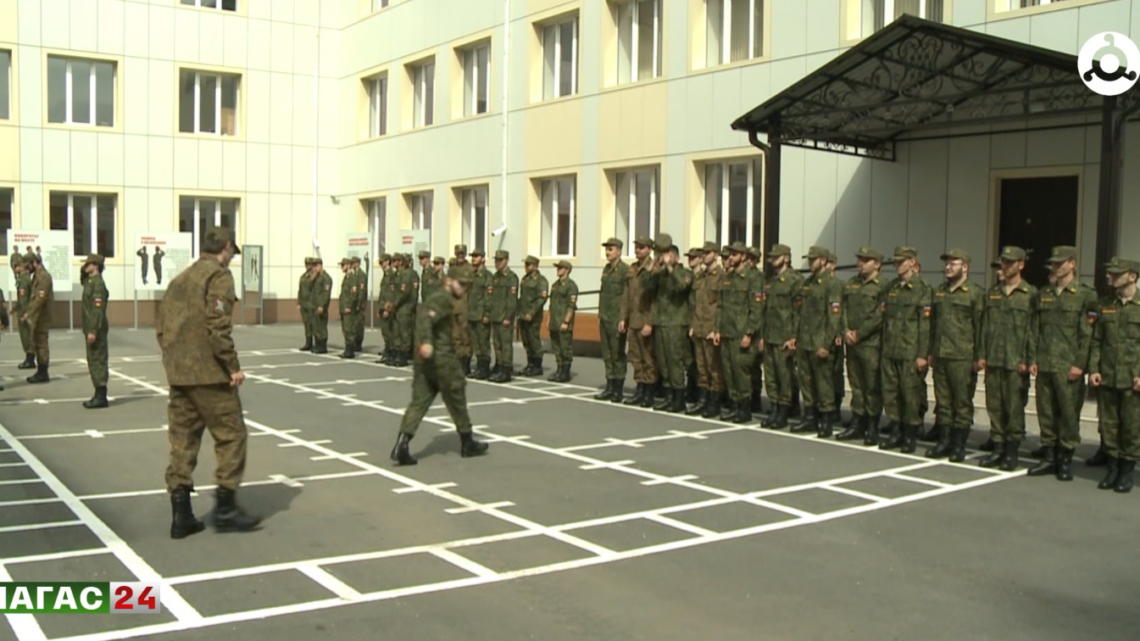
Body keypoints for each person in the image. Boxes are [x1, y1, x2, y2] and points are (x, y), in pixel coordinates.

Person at [156, 228, 260, 538]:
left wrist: (175, 362)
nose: (232, 257)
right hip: (210, 374)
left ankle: (182, 514)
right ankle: (225, 508)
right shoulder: (219, 277)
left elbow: (161, 327)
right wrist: (232, 366)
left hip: (180, 375)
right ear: (226, 248)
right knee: (231, 435)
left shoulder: (182, 278)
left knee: (182, 441)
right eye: (232, 251)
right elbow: (218, 327)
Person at [390, 272, 490, 466]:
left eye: (467, 285)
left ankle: (402, 444)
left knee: (419, 402)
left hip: (425, 361)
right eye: (461, 283)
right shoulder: (442, 298)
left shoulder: (445, 298)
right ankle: (467, 441)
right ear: (449, 281)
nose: (465, 288)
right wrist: (427, 343)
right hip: (441, 359)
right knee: (457, 395)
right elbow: (426, 318)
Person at [1026, 246, 1098, 480]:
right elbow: (1035, 328)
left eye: (1060, 263)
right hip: (1045, 363)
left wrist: (1080, 364)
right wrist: (1033, 358)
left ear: (1072, 264)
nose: (1056, 267)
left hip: (1069, 367)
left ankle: (1065, 459)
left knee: (1068, 414)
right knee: (1045, 412)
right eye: (1054, 264)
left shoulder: (1086, 295)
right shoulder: (1044, 294)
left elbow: (1087, 334)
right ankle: (1049, 456)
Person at [978, 246, 1037, 471]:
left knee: (1013, 408)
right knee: (995, 406)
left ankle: (1012, 452)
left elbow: (1034, 330)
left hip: (1015, 362)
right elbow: (984, 327)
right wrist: (982, 354)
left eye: (1011, 262)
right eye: (1003, 261)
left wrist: (1029, 359)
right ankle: (998, 448)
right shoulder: (993, 293)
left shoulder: (1030, 294)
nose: (1005, 266)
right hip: (994, 359)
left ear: (1021, 265)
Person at [926, 249, 984, 462]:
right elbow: (934, 324)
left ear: (965, 267)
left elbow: (980, 327)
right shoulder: (940, 291)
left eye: (954, 263)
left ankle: (959, 444)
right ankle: (944, 441)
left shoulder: (975, 293)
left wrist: (979, 357)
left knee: (961, 402)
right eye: (947, 263)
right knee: (944, 401)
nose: (948, 267)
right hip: (941, 354)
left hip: (962, 357)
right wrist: (931, 351)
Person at [1088, 256, 1140, 493]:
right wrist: (1094, 369)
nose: (1111, 276)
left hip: (1132, 378)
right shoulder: (1106, 305)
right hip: (1108, 375)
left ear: (1132, 276)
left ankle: (1127, 472)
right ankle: (1112, 468)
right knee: (1109, 426)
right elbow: (1097, 340)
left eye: (1117, 273)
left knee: (1130, 427)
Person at [878, 247, 932, 453]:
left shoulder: (923, 288)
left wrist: (922, 354)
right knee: (891, 393)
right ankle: (896, 430)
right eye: (896, 262)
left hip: (910, 351)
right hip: (890, 349)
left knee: (910, 394)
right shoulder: (892, 287)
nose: (898, 265)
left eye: (902, 261)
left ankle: (910, 434)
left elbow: (925, 324)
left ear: (912, 262)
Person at [793, 246, 844, 438]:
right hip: (805, 341)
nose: (810, 262)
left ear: (823, 261)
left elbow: (834, 317)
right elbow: (800, 314)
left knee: (824, 384)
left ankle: (826, 420)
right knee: (806, 382)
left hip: (820, 342)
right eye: (809, 259)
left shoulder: (832, 285)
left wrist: (827, 344)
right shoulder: (807, 284)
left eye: (814, 259)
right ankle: (810, 417)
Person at [837, 246, 885, 444]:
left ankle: (872, 426)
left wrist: (859, 333)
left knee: (872, 386)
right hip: (852, 343)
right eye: (860, 259)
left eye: (866, 260)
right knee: (856, 384)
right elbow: (842, 309)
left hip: (871, 344)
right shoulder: (852, 284)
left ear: (877, 264)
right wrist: (846, 330)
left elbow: (879, 316)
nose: (861, 263)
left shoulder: (883, 286)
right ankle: (858, 422)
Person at [760, 244, 803, 429]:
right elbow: (765, 311)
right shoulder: (771, 281)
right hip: (770, 335)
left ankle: (784, 411)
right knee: (770, 377)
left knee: (784, 376)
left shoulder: (795, 280)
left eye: (776, 257)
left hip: (784, 336)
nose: (771, 260)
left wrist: (794, 337)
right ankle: (775, 408)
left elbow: (798, 311)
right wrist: (762, 336)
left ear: (786, 258)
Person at [620, 236, 658, 407]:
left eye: (642, 247)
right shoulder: (633, 269)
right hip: (634, 320)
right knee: (636, 357)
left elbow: (656, 300)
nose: (638, 250)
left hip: (645, 320)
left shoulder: (653, 270)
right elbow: (627, 296)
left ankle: (649, 391)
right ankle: (640, 389)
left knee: (648, 358)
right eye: (636, 247)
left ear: (649, 249)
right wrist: (623, 317)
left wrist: (650, 322)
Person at [595, 238, 629, 401]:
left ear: (619, 251)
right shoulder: (606, 270)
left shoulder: (624, 271)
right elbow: (603, 293)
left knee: (617, 353)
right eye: (607, 249)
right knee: (607, 353)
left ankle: (618, 388)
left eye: (611, 249)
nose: (608, 252)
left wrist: (623, 318)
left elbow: (626, 296)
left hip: (617, 318)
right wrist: (600, 313)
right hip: (605, 317)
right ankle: (609, 385)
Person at [81, 254, 110, 409]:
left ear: (96, 266)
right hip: (90, 327)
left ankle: (101, 396)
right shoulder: (90, 282)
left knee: (98, 360)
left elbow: (97, 310)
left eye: (88, 264)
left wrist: (93, 330)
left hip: (96, 328)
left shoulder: (98, 284)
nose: (85, 266)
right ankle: (98, 393)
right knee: (92, 360)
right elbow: (83, 280)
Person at [486, 250, 519, 382]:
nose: (497, 263)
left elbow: (512, 300)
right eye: (496, 260)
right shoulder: (495, 277)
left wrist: (508, 317)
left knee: (505, 345)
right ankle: (499, 367)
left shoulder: (511, 278)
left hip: (505, 317)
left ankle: (506, 370)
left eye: (500, 260)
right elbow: (491, 298)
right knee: (497, 344)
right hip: (495, 316)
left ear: (506, 261)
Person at [21, 253, 53, 384]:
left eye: (28, 266)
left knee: (41, 343)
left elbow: (40, 298)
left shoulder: (44, 276)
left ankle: (43, 371)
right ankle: (41, 370)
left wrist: (29, 313)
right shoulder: (36, 276)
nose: (27, 269)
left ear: (34, 262)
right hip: (37, 315)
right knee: (37, 341)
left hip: (42, 315)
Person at [517, 256, 549, 376]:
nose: (526, 267)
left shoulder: (540, 280)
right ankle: (530, 364)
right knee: (526, 340)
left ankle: (537, 365)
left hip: (533, 316)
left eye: (528, 265)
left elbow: (542, 298)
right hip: (523, 314)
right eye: (525, 264)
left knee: (534, 339)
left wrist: (531, 312)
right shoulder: (525, 279)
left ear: (535, 266)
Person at [547, 260, 578, 382]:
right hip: (554, 321)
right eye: (558, 268)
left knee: (565, 348)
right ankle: (559, 369)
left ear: (567, 270)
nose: (558, 270)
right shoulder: (555, 285)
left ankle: (565, 372)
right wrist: (549, 319)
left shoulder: (571, 286)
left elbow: (571, 306)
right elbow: (552, 304)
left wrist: (566, 321)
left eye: (561, 268)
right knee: (557, 347)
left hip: (563, 322)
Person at [14, 257, 34, 370]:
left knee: (27, 335)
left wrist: (25, 313)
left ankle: (30, 359)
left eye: (17, 266)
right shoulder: (22, 278)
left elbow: (24, 298)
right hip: (22, 310)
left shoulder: (24, 279)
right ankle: (29, 357)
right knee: (25, 335)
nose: (15, 268)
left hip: (24, 311)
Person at [297, 257, 316, 351]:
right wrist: (299, 302)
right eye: (306, 264)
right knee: (307, 324)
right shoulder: (303, 277)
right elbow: (300, 290)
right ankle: (308, 342)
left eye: (309, 264)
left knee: (314, 324)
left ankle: (316, 342)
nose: (307, 266)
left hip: (312, 304)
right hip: (304, 304)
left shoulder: (315, 277)